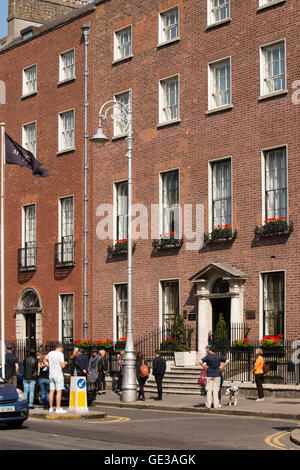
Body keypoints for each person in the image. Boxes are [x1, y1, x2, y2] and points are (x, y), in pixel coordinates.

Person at [46, 343, 68, 414]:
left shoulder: (50, 353)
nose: (62, 351)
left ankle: (50, 407)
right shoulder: (60, 354)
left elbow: (45, 360)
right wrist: (65, 363)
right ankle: (58, 408)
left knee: (51, 391)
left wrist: (48, 365)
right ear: (60, 348)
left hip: (51, 374)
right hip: (58, 374)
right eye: (62, 349)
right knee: (59, 391)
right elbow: (62, 366)